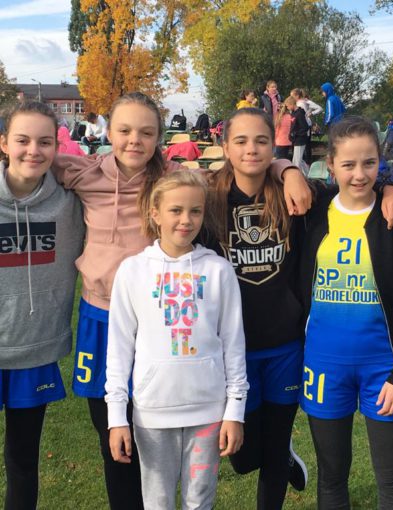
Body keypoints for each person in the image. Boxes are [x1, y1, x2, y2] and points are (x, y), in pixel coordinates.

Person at [52, 91, 312, 510]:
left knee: (212, 447)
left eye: (146, 132)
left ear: (159, 136)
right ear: (109, 132)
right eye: (124, 130)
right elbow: (33, 160)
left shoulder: (177, 177)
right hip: (104, 314)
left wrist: (287, 167)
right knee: (115, 439)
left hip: (174, 320)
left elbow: (244, 165)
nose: (134, 140)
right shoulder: (84, 172)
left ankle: (271, 450)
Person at [299, 116, 393, 509]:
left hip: (385, 368)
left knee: (392, 481)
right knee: (331, 478)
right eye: (349, 164)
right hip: (324, 364)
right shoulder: (313, 212)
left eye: (369, 163)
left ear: (380, 163)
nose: (359, 174)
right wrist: (287, 170)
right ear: (330, 165)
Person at [105, 170, 248, 509]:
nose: (186, 220)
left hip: (208, 412)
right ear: (155, 213)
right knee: (157, 501)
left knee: (200, 501)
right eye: (175, 210)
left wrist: (235, 410)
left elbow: (233, 344)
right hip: (152, 413)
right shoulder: (133, 271)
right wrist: (116, 417)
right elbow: (119, 348)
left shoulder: (219, 271)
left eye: (195, 211)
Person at [202, 108, 310, 509]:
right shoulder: (207, 197)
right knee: (244, 456)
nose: (252, 149)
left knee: (274, 446)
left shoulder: (293, 194)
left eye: (262, 141)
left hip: (284, 344)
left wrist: (289, 170)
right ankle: (275, 451)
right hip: (232, 349)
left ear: (273, 146)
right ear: (225, 147)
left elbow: (354, 188)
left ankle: (280, 453)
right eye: (241, 141)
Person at [0, 101, 84, 509]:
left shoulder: (72, 202)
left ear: (57, 147)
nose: (33, 150)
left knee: (22, 461)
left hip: (35, 349)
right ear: (4, 144)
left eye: (44, 142)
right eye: (23, 140)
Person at [290, 88, 323, 165]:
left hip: (305, 126)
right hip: (299, 126)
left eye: (292, 96)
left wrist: (311, 113)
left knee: (306, 147)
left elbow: (320, 108)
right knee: (299, 150)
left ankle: (307, 163)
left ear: (297, 96)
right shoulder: (296, 103)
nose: (291, 98)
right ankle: (304, 165)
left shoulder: (305, 102)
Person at [287, 96, 309, 175]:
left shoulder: (299, 114)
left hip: (300, 140)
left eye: (288, 106)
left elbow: (305, 127)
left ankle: (295, 176)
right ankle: (308, 175)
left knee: (296, 161)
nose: (287, 108)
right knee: (299, 159)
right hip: (295, 139)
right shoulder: (293, 113)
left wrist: (296, 134)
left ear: (292, 104)